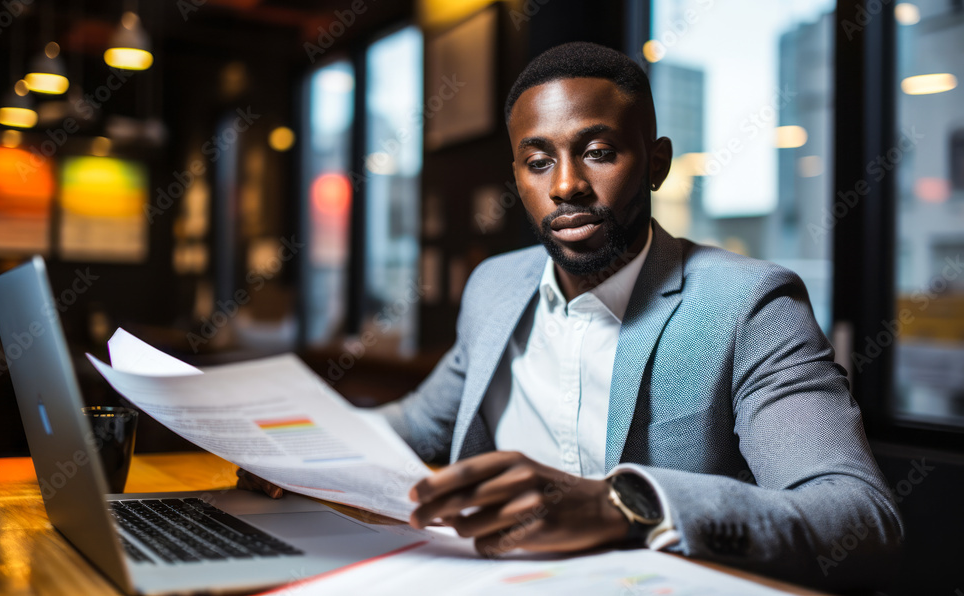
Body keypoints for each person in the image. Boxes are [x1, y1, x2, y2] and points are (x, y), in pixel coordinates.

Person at [240, 42, 903, 591]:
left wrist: (622, 507)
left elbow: (858, 520)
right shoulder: (496, 287)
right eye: (538, 161)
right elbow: (418, 423)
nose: (565, 186)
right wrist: (295, 451)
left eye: (597, 151)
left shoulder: (751, 305)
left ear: (657, 163)